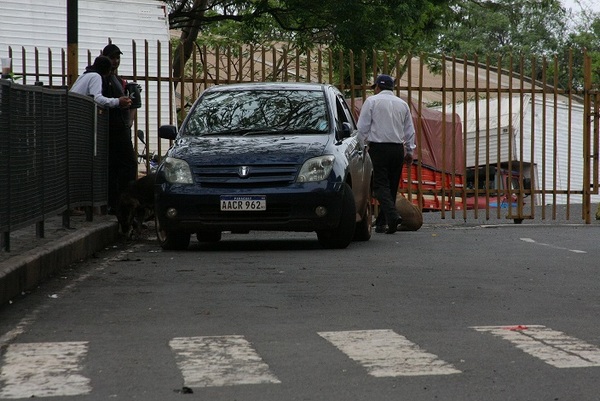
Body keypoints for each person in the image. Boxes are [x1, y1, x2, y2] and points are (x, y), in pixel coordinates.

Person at [357, 74, 416, 234]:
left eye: (375, 86)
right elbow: (409, 130)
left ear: (378, 87)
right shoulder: (402, 104)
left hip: (378, 148)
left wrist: (360, 146)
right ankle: (384, 223)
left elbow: (362, 128)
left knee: (379, 186)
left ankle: (392, 215)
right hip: (397, 149)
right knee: (391, 186)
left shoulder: (372, 101)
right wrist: (409, 151)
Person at [101, 44, 138, 214]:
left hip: (121, 128)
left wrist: (129, 118)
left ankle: (121, 204)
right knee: (125, 165)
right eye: (112, 57)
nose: (115, 61)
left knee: (120, 167)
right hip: (111, 129)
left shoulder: (117, 79)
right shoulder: (101, 78)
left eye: (117, 58)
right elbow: (99, 100)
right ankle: (119, 202)